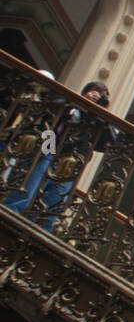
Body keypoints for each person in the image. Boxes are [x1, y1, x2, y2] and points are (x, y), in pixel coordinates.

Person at [3, 81, 112, 230]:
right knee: (28, 190)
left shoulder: (97, 121)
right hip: (49, 148)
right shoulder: (67, 103)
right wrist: (79, 102)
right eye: (94, 92)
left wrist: (102, 112)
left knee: (53, 203)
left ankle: (39, 234)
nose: (96, 96)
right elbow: (52, 112)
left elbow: (107, 142)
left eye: (101, 96)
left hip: (68, 163)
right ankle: (9, 220)